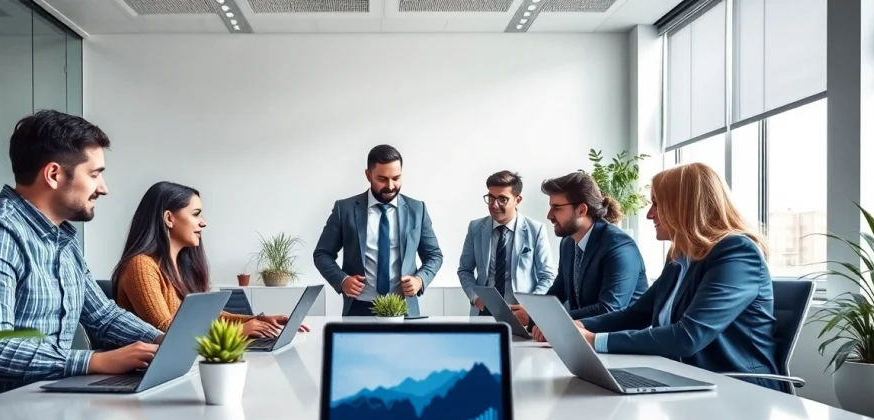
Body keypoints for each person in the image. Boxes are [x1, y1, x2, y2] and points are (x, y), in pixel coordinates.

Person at [0, 110, 165, 396]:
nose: (103, 188)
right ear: (53, 174)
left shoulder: (61, 239)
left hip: (42, 399)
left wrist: (162, 341)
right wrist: (95, 361)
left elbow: (102, 316)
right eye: (94, 175)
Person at [575, 162, 781, 391]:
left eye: (657, 204)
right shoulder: (680, 257)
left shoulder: (737, 252)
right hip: (681, 378)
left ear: (685, 206)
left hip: (739, 390)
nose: (649, 214)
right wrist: (577, 326)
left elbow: (688, 336)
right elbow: (637, 314)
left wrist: (594, 340)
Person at [111, 181, 305, 337]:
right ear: (169, 218)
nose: (203, 222)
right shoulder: (141, 266)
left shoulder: (179, 267)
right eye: (196, 214)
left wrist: (258, 320)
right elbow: (166, 330)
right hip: (148, 373)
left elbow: (209, 318)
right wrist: (239, 332)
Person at [313, 144, 443, 317]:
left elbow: (434, 255)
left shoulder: (417, 209)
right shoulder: (344, 209)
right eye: (382, 179)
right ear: (368, 175)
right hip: (359, 308)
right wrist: (342, 280)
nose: (390, 186)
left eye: (396, 178)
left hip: (404, 308)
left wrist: (420, 280)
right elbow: (322, 254)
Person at [514, 171, 647, 340]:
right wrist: (534, 311)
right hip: (582, 340)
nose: (549, 215)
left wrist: (541, 318)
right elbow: (559, 289)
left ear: (582, 210)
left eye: (557, 208)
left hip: (619, 345)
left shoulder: (619, 246)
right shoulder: (568, 243)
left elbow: (609, 309)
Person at [457, 170, 556, 315]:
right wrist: (475, 297)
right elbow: (465, 270)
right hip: (483, 311)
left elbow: (547, 276)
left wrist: (530, 307)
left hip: (520, 312)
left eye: (502, 199)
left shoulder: (536, 230)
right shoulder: (476, 228)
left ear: (518, 200)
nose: (494, 205)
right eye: (491, 198)